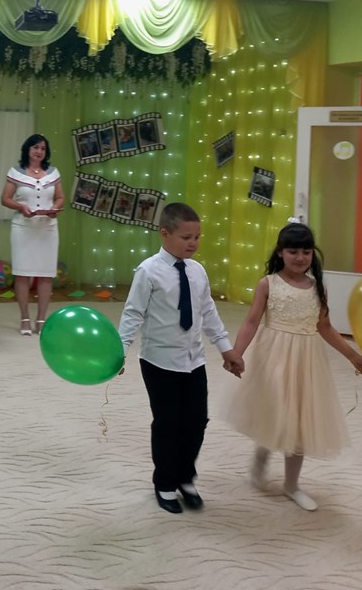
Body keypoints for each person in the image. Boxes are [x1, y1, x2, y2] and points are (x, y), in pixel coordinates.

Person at [224, 222, 362, 512]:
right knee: (274, 411)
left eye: (306, 251)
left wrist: (353, 357)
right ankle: (262, 453)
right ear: (280, 252)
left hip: (306, 361)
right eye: (293, 251)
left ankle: (291, 485)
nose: (300, 257)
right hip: (273, 357)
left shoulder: (317, 287)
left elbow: (325, 327)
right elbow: (252, 321)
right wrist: (236, 353)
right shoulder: (268, 284)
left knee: (300, 422)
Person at [118, 202, 244, 514]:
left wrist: (225, 347)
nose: (193, 243)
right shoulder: (148, 271)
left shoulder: (197, 271)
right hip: (159, 362)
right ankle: (164, 482)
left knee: (197, 421)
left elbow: (208, 312)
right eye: (186, 237)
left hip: (194, 360)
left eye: (197, 237)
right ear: (164, 234)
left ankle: (186, 477)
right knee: (168, 423)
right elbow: (133, 314)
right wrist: (120, 350)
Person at [1, 133, 65, 336]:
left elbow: (60, 197)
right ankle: (25, 318)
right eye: (36, 147)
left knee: (46, 274)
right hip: (23, 228)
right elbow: (5, 198)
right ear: (27, 149)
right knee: (23, 273)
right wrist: (21, 207)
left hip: (47, 229)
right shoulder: (16, 172)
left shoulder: (53, 173)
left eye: (43, 148)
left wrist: (54, 208)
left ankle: (41, 319)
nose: (39, 151)